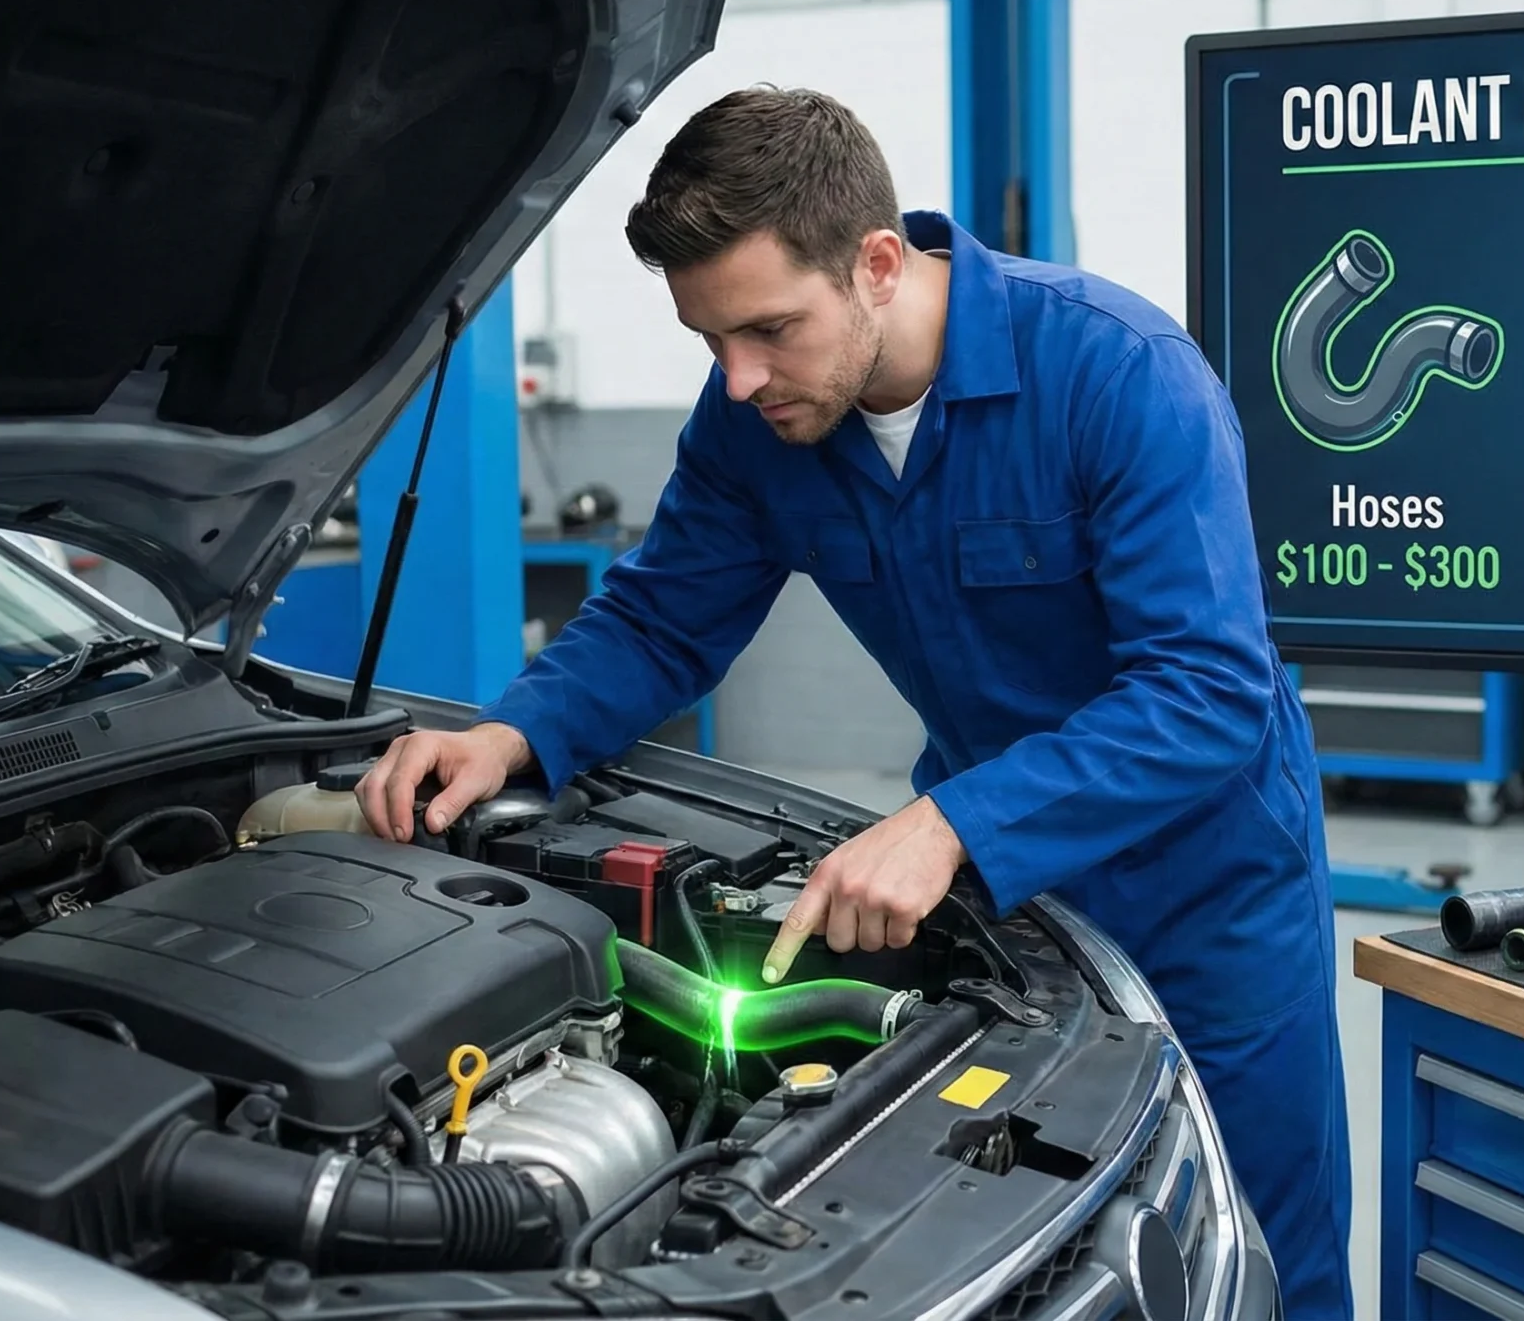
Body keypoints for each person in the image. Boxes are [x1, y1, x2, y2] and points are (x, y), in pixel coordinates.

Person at [354, 86, 1352, 1318]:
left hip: (1207, 900)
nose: (739, 379)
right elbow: (664, 616)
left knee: (1254, 1247)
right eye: (709, 339)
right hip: (1009, 904)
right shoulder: (756, 420)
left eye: (769, 329)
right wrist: (515, 731)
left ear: (878, 264)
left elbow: (1207, 692)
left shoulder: (1117, 373)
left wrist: (950, 823)